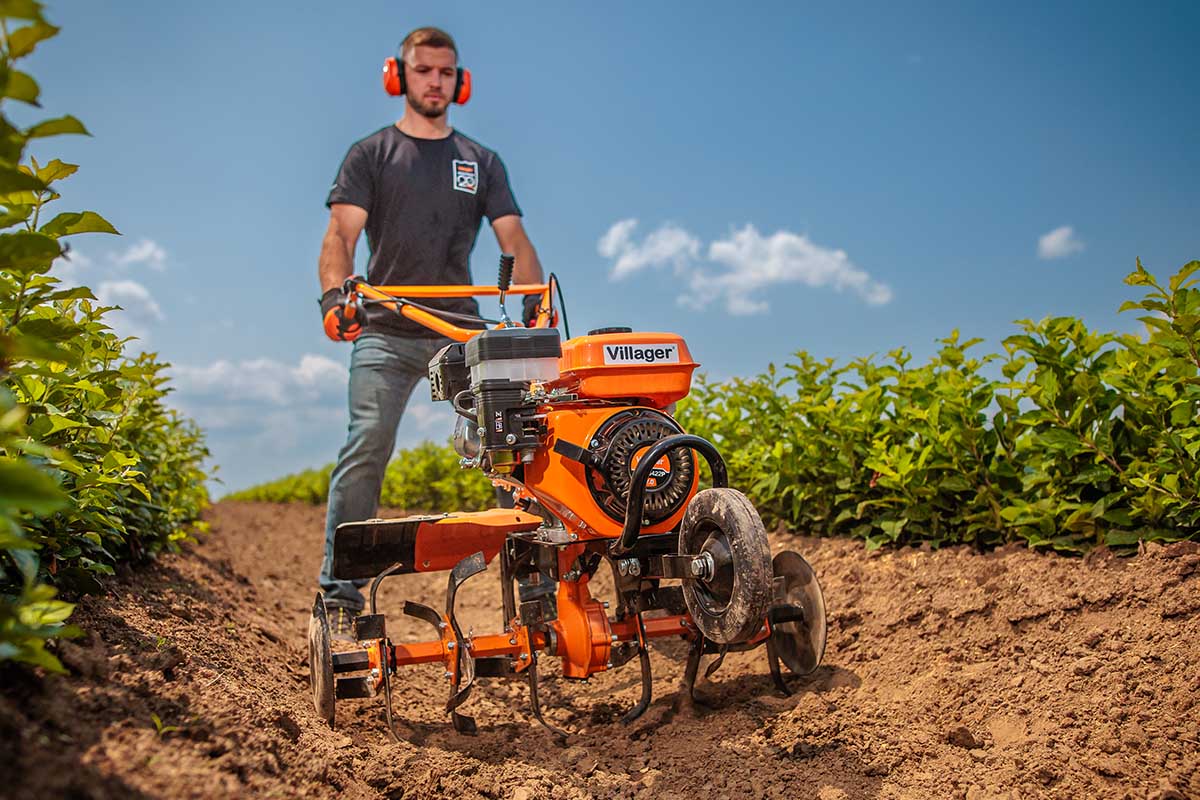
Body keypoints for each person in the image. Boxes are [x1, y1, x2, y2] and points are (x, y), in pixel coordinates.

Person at [317, 26, 544, 642]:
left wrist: (533, 303)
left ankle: (536, 588)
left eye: (446, 72)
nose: (434, 82)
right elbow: (340, 236)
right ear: (398, 76)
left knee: (515, 444)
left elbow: (514, 239)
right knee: (367, 442)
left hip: (459, 330)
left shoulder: (481, 162)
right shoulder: (371, 155)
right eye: (423, 71)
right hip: (387, 325)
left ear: (460, 83)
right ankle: (338, 599)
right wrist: (336, 295)